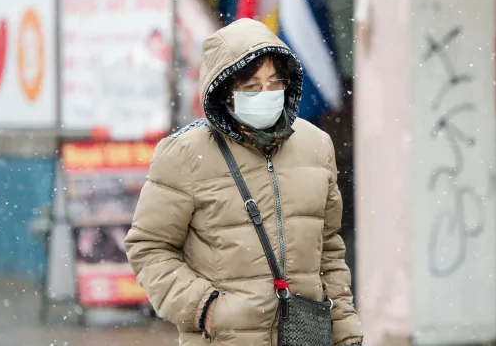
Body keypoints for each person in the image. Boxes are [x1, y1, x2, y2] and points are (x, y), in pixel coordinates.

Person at [124, 18, 363, 346]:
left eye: (275, 82)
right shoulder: (183, 155)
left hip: (305, 338)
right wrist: (205, 307)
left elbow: (329, 251)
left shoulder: (316, 146)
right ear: (225, 92)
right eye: (251, 87)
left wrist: (346, 333)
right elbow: (148, 247)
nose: (266, 94)